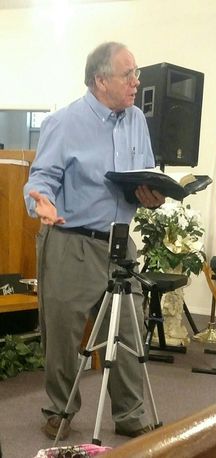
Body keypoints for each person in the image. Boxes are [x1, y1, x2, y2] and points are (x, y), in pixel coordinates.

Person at [24, 41, 165, 440]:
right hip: (72, 240)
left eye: (136, 73)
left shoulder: (136, 118)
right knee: (65, 333)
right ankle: (60, 411)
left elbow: (142, 176)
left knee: (128, 329)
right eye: (128, 74)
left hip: (120, 242)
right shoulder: (64, 122)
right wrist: (42, 203)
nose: (137, 82)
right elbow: (41, 180)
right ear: (101, 80)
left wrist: (150, 195)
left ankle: (130, 412)